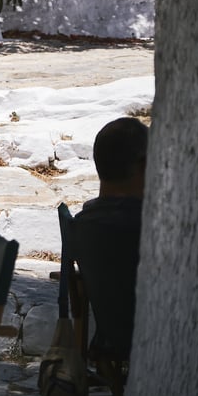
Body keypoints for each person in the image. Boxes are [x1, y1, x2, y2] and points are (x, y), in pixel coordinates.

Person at [70, 116, 149, 360]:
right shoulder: (144, 227)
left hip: (112, 338)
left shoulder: (84, 223)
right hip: (149, 336)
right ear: (144, 165)